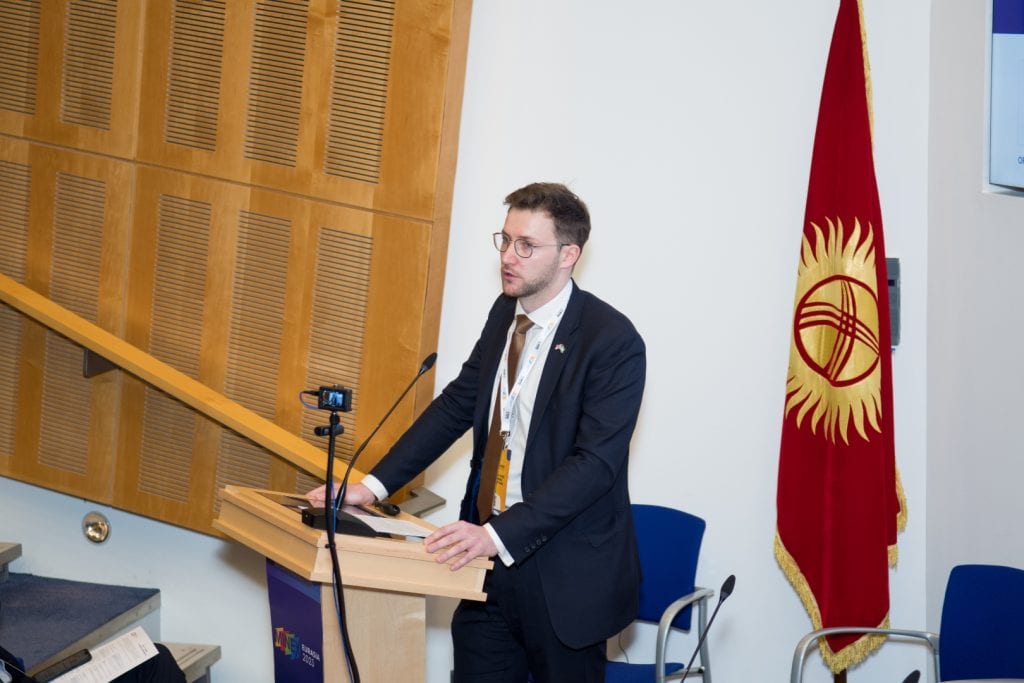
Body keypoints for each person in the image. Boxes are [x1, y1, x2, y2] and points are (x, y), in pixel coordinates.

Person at [311, 182, 646, 682]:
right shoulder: (504, 313)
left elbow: (594, 465)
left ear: (568, 255)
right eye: (505, 240)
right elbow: (457, 405)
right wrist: (373, 486)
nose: (508, 256)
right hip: (483, 564)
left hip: (562, 574)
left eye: (526, 245)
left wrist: (497, 535)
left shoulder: (612, 341)